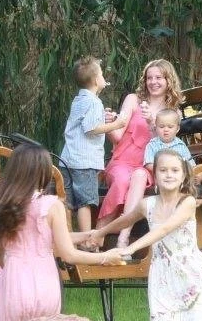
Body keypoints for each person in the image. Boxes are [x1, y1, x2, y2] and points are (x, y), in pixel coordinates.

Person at [91, 149, 202, 321]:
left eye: (174, 170)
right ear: (154, 174)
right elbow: (125, 220)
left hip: (191, 275)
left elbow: (165, 229)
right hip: (163, 280)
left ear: (183, 176)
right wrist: (101, 232)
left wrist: (132, 247)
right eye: (163, 170)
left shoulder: (187, 202)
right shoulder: (147, 204)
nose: (168, 175)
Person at [0, 143, 122, 321]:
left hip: (13, 290)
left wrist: (87, 235)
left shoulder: (5, 206)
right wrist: (106, 257)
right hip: (43, 287)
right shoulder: (51, 205)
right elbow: (68, 254)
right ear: (43, 172)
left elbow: (1, 249)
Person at [97, 59, 183, 249]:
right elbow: (118, 137)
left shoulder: (173, 111)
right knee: (121, 181)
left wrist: (153, 124)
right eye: (149, 78)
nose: (153, 82)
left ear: (169, 80)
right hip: (123, 160)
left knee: (139, 176)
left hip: (149, 164)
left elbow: (168, 145)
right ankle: (99, 233)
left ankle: (121, 237)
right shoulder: (133, 100)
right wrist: (108, 123)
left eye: (159, 77)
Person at [59, 56, 127, 238]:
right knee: (85, 203)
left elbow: (85, 123)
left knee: (67, 200)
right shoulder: (95, 102)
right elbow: (91, 129)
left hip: (68, 159)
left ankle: (67, 238)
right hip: (85, 162)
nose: (104, 78)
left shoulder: (79, 99)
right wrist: (116, 125)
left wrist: (101, 117)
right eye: (102, 74)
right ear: (97, 80)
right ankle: (86, 239)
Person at [143, 108, 195, 174]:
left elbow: (190, 163)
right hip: (160, 178)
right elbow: (149, 164)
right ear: (156, 127)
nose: (166, 130)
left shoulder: (180, 145)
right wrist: (164, 170)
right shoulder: (152, 145)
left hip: (178, 177)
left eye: (170, 127)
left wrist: (194, 173)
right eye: (161, 127)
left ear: (177, 129)